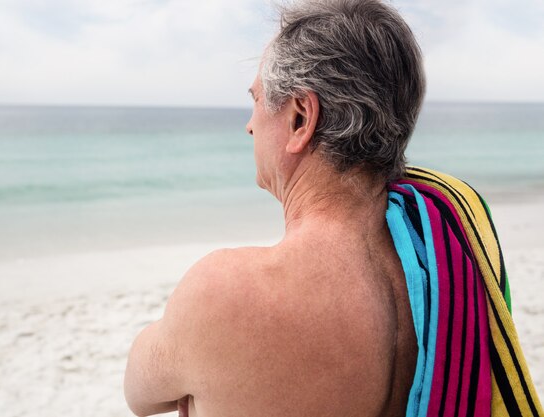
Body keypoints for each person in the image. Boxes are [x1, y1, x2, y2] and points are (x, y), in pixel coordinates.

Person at [124, 1, 543, 416]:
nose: (249, 125)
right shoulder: (453, 238)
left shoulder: (224, 293)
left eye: (256, 100)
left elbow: (138, 392)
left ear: (300, 119)